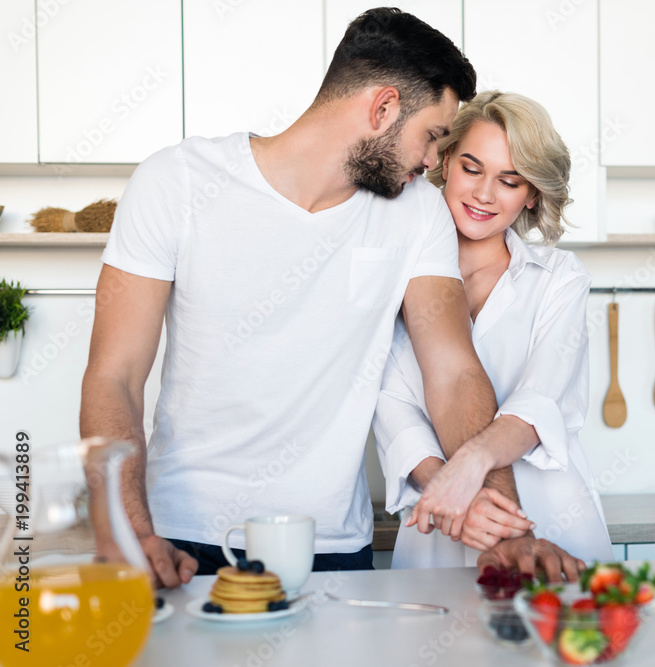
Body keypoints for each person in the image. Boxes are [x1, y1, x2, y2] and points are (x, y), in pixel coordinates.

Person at [80, 8, 557, 588]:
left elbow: (454, 372)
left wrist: (505, 522)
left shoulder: (416, 214)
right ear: (382, 109)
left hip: (330, 546)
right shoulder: (175, 183)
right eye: (432, 136)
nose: (433, 162)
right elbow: (115, 377)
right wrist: (127, 527)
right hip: (182, 537)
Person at [374, 91, 615, 572]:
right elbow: (391, 409)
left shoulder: (560, 279)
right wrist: (454, 491)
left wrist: (471, 465)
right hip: (443, 518)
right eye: (471, 168)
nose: (485, 194)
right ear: (443, 163)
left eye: (509, 180)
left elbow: (538, 404)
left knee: (564, 640)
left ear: (532, 195)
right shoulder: (390, 278)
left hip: (551, 517)